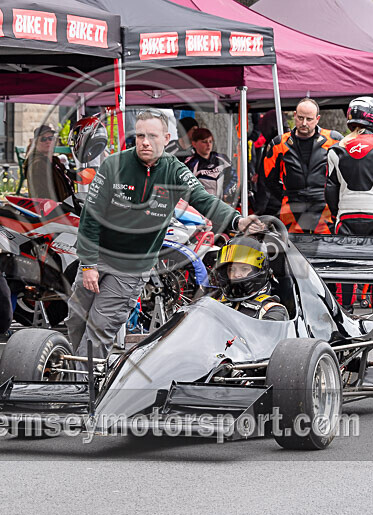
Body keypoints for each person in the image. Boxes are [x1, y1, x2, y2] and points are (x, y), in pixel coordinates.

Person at [67, 109, 264, 361]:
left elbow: (203, 200)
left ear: (166, 138)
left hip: (132, 265)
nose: (145, 142)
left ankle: (83, 387)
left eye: (151, 136)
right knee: (76, 318)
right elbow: (91, 217)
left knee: (99, 325)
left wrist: (237, 220)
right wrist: (88, 264)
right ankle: (73, 375)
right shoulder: (113, 165)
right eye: (140, 136)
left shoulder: (174, 170)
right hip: (100, 255)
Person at [326, 96, 373, 312]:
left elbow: (330, 189)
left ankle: (345, 313)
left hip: (346, 217)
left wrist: (336, 215)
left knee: (346, 266)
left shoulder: (336, 149)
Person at [257, 98, 342, 234]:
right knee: (293, 251)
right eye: (300, 118)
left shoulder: (334, 140)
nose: (304, 123)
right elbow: (268, 179)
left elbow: (345, 174)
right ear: (295, 115)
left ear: (317, 119)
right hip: (291, 207)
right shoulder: (279, 143)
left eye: (309, 119)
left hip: (324, 208)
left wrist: (332, 198)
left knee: (326, 250)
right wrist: (287, 196)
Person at [213, 235, 289, 320]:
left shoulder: (272, 311)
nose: (237, 275)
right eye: (231, 269)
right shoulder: (217, 303)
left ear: (259, 271)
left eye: (244, 269)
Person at [23, 124, 74, 202]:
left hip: (66, 207)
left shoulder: (55, 161)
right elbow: (41, 195)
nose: (48, 142)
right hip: (52, 210)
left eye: (51, 138)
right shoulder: (38, 164)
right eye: (43, 139)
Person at [184, 127, 236, 201]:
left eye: (210, 141)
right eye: (204, 142)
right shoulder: (190, 164)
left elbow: (234, 177)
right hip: (202, 207)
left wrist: (227, 193)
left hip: (223, 204)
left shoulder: (223, 159)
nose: (208, 145)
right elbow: (187, 189)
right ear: (194, 144)